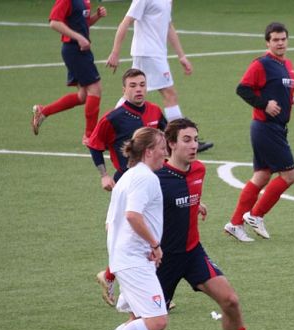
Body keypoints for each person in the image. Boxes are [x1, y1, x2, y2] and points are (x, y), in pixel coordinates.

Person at [118, 118, 270, 330]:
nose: (193, 145)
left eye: (196, 139)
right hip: (162, 260)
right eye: (186, 140)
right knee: (146, 321)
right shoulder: (155, 178)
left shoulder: (199, 169)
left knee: (230, 301)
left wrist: (195, 204)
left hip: (192, 252)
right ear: (171, 144)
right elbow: (134, 213)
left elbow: (181, 196)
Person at [79, 127, 169, 330]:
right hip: (134, 259)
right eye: (162, 147)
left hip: (125, 257)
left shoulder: (127, 177)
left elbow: (110, 224)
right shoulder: (145, 178)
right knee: (157, 320)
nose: (166, 152)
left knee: (137, 319)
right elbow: (132, 215)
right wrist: (154, 245)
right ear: (149, 151)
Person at [88, 68, 167, 306]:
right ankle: (139, 288)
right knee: (129, 232)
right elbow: (94, 144)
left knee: (152, 231)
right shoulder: (114, 117)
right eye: (133, 85)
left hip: (153, 178)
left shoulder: (155, 111)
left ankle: (115, 278)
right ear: (124, 89)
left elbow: (166, 140)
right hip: (127, 181)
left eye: (142, 84)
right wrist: (104, 175)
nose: (138, 89)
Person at [223, 22, 294, 242]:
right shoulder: (261, 64)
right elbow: (242, 89)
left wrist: (293, 100)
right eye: (275, 40)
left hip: (276, 128)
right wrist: (264, 105)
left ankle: (235, 223)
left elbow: (279, 91)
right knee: (289, 175)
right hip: (266, 128)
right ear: (267, 42)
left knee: (261, 176)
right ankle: (256, 215)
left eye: (283, 39)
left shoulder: (287, 64)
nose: (280, 43)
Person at [105, 0, 213, 153]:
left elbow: (168, 26)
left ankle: (108, 132)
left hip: (155, 53)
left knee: (130, 95)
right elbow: (126, 21)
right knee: (170, 94)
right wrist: (115, 52)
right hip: (148, 53)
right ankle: (181, 139)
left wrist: (181, 56)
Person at [31, 0, 107, 145]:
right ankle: (90, 137)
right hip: (74, 50)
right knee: (95, 89)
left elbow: (83, 25)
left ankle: (43, 112)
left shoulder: (85, 1)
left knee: (83, 96)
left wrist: (96, 16)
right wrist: (78, 38)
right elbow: (54, 22)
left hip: (82, 50)